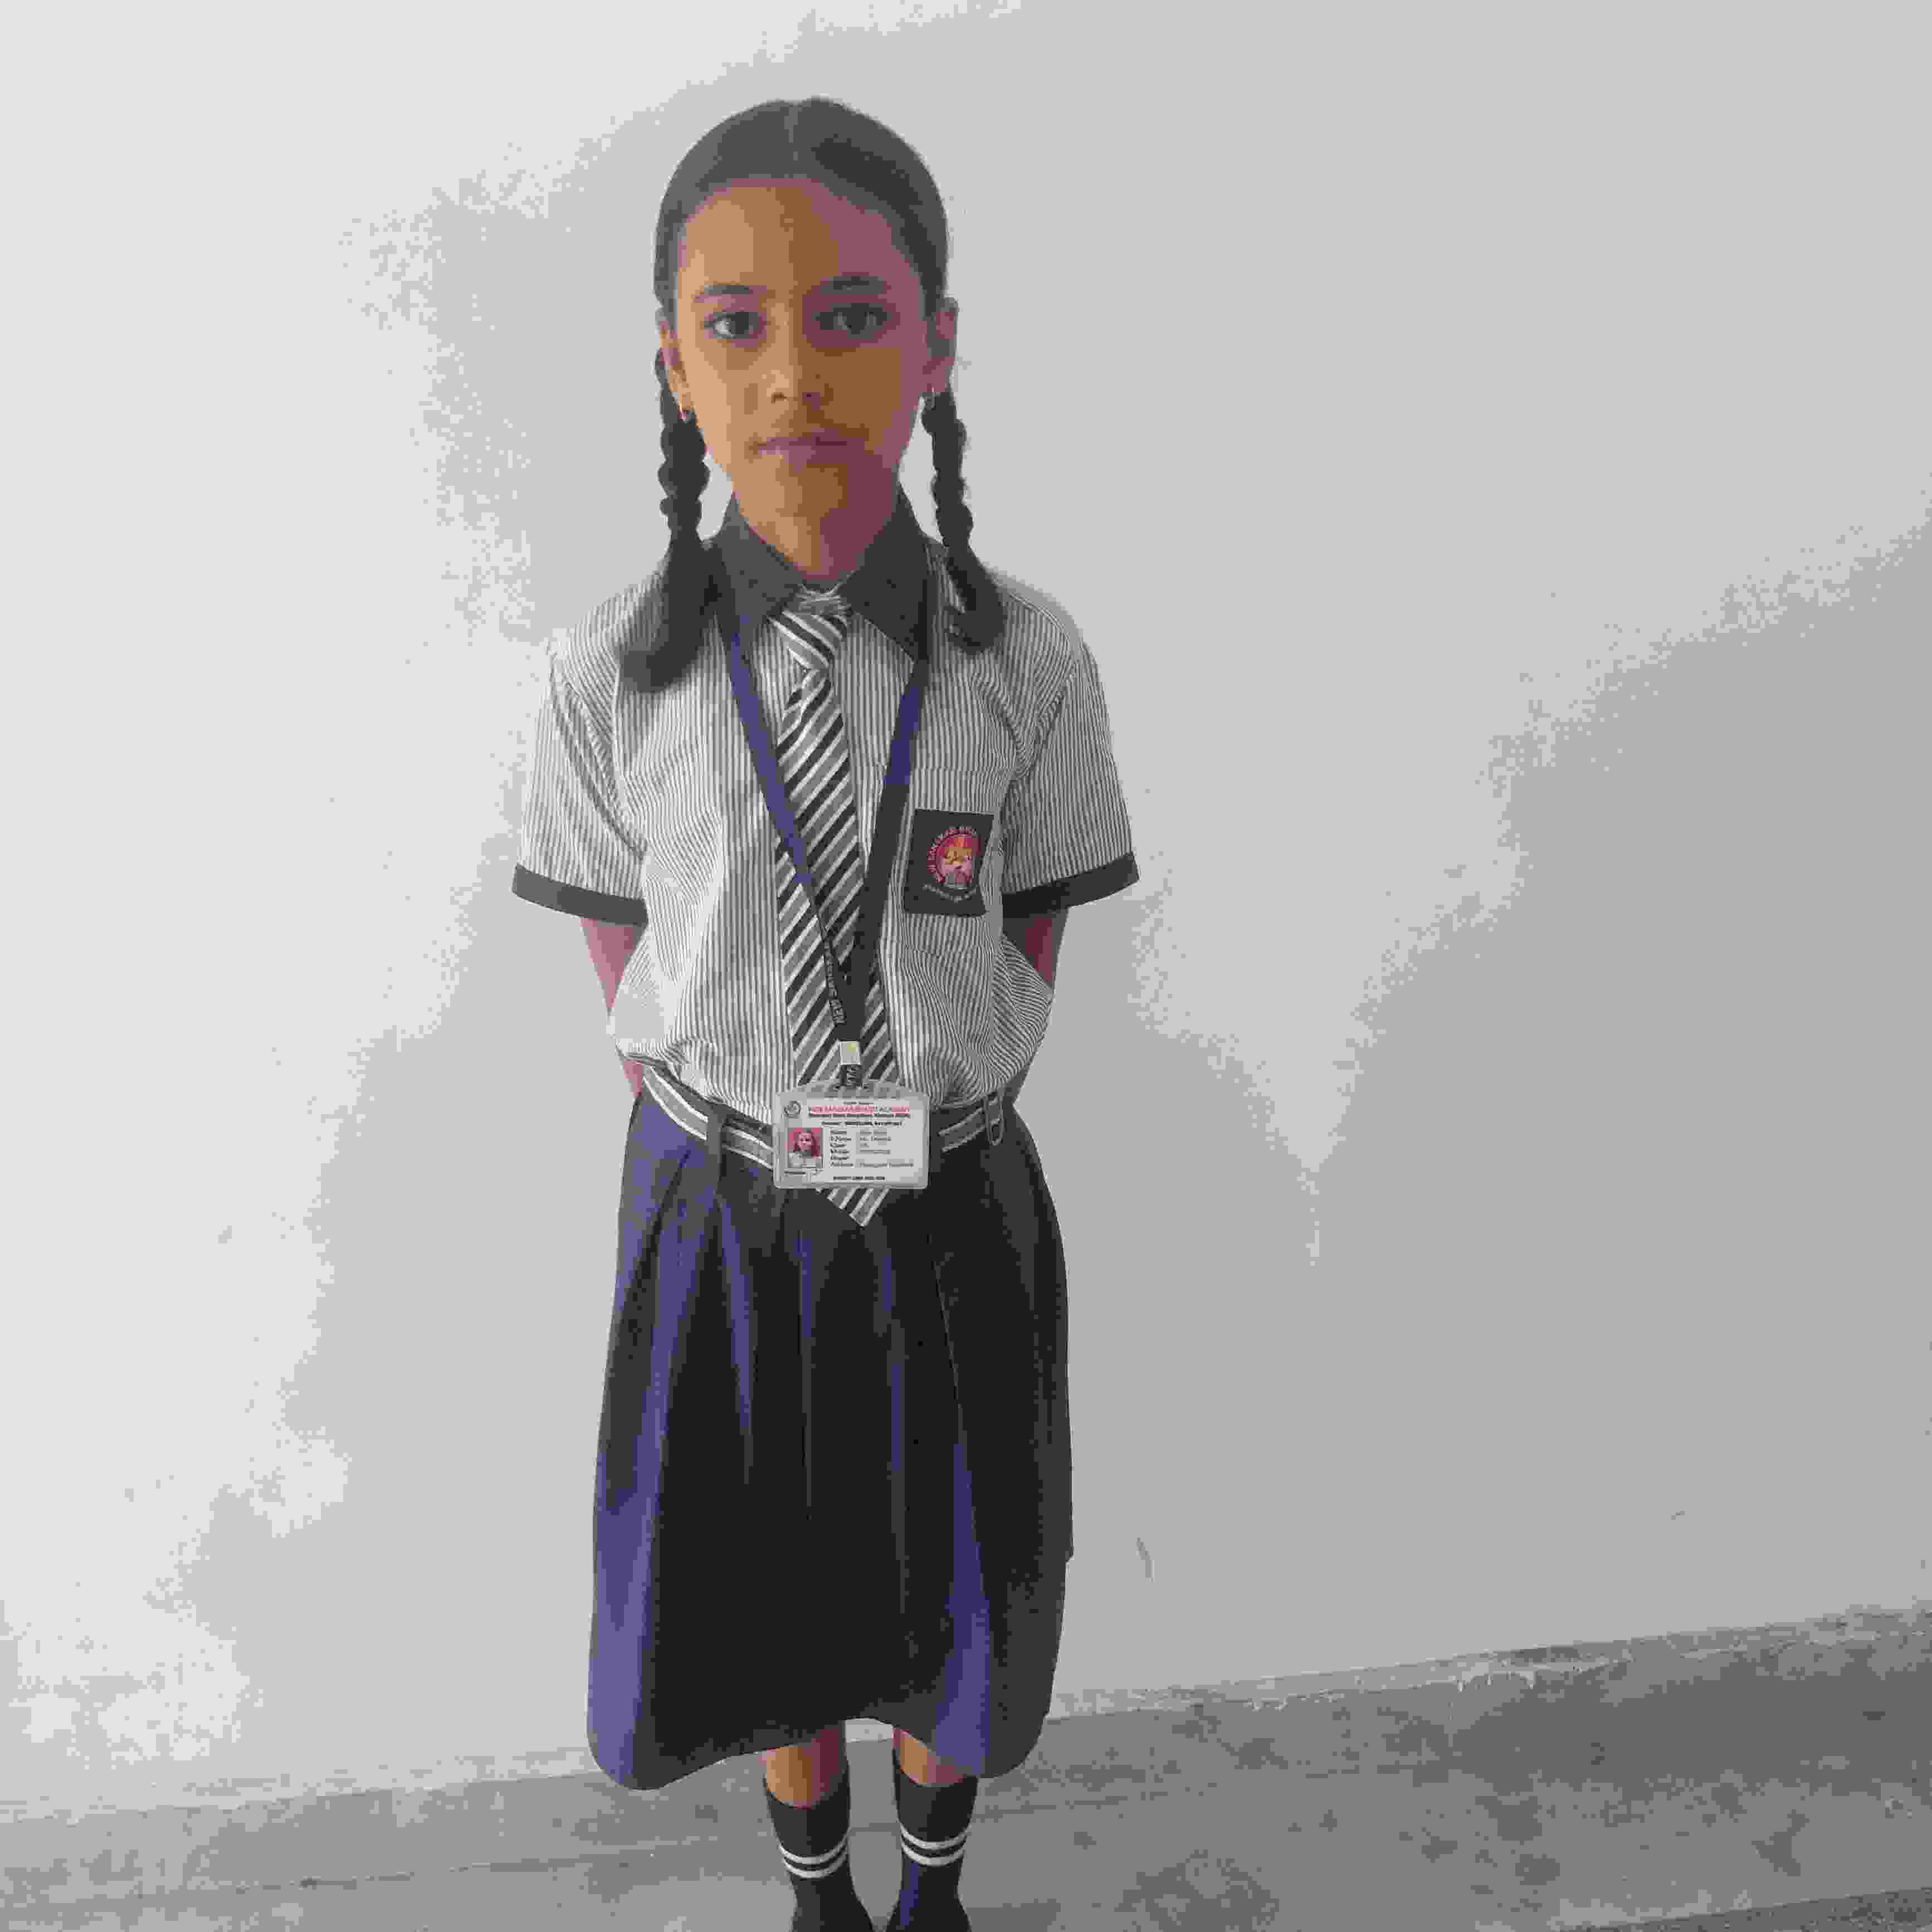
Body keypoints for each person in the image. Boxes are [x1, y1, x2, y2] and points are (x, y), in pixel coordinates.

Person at [511, 96, 1138, 1931]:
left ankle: (932, 1890)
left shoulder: (1025, 659)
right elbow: (628, 955)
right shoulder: (607, 675)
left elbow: (1026, 932)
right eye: (737, 324)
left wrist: (925, 1084)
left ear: (935, 345)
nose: (795, 371)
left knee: (948, 1588)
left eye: (853, 316)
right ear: (673, 362)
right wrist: (754, 1108)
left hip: (949, 1201)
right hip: (720, 1211)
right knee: (769, 1601)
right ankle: (818, 1898)